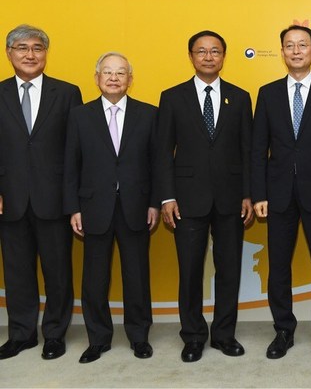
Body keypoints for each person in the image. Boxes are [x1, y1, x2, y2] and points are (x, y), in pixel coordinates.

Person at [156, 30, 254, 363]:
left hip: (230, 200)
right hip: (186, 200)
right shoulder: (172, 97)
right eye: (201, 51)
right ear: (191, 56)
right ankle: (193, 336)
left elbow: (248, 152)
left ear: (223, 56)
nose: (208, 56)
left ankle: (224, 334)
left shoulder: (240, 98)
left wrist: (248, 195)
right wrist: (167, 197)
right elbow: (162, 152)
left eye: (215, 51)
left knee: (229, 270)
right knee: (191, 271)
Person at [251, 25, 311, 359]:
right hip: (277, 195)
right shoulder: (268, 93)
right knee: (278, 266)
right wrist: (259, 194)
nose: (296, 51)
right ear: (282, 52)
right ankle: (283, 331)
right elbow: (257, 149)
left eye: (302, 45)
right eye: (289, 45)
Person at [63, 52, 159, 363]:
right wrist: (73, 208)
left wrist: (155, 203)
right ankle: (98, 339)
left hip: (136, 207)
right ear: (97, 78)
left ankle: (139, 336)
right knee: (94, 278)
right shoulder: (80, 115)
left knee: (137, 277)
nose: (114, 77)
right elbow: (70, 166)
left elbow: (157, 165)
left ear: (131, 79)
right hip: (93, 208)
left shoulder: (149, 114)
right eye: (107, 72)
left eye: (120, 73)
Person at [0, 24, 82, 361]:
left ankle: (54, 334)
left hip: (55, 199)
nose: (30, 54)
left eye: (37, 47)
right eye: (22, 48)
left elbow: (77, 150)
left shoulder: (67, 93)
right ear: (9, 54)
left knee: (57, 271)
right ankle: (21, 334)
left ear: (46, 53)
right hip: (11, 199)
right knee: (17, 271)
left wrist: (73, 198)